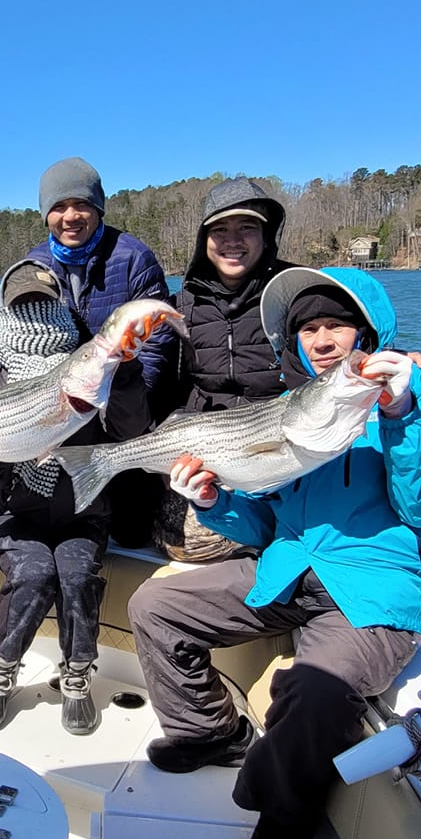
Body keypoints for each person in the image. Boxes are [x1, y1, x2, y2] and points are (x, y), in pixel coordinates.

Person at [128, 266, 421, 839]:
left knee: (315, 691)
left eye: (335, 324)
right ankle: (208, 733)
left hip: (374, 589)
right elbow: (258, 524)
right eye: (308, 329)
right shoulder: (289, 408)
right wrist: (210, 498)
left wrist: (400, 413)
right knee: (156, 606)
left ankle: (283, 822)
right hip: (287, 570)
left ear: (366, 331)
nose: (321, 339)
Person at [0, 259, 153, 733]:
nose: (33, 315)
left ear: (61, 307)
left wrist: (125, 373)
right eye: (22, 306)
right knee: (33, 572)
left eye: (43, 304)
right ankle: (2, 669)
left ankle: (77, 673)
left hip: (84, 512)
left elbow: (130, 430)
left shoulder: (91, 365)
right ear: (4, 312)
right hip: (13, 515)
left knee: (74, 573)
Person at [27, 155, 176, 545]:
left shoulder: (132, 257)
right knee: (61, 529)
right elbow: (24, 350)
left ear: (99, 208)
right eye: (58, 206)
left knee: (130, 536)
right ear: (45, 215)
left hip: (128, 410)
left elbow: (158, 348)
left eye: (82, 205)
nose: (71, 216)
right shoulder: (33, 267)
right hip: (67, 415)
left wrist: (125, 403)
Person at [152, 176, 292, 560]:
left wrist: (402, 358)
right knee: (184, 548)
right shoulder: (181, 303)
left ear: (266, 236)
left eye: (246, 228)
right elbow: (163, 387)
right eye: (220, 230)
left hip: (281, 450)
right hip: (208, 452)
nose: (233, 240)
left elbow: (348, 343)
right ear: (204, 239)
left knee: (278, 543)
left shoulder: (295, 292)